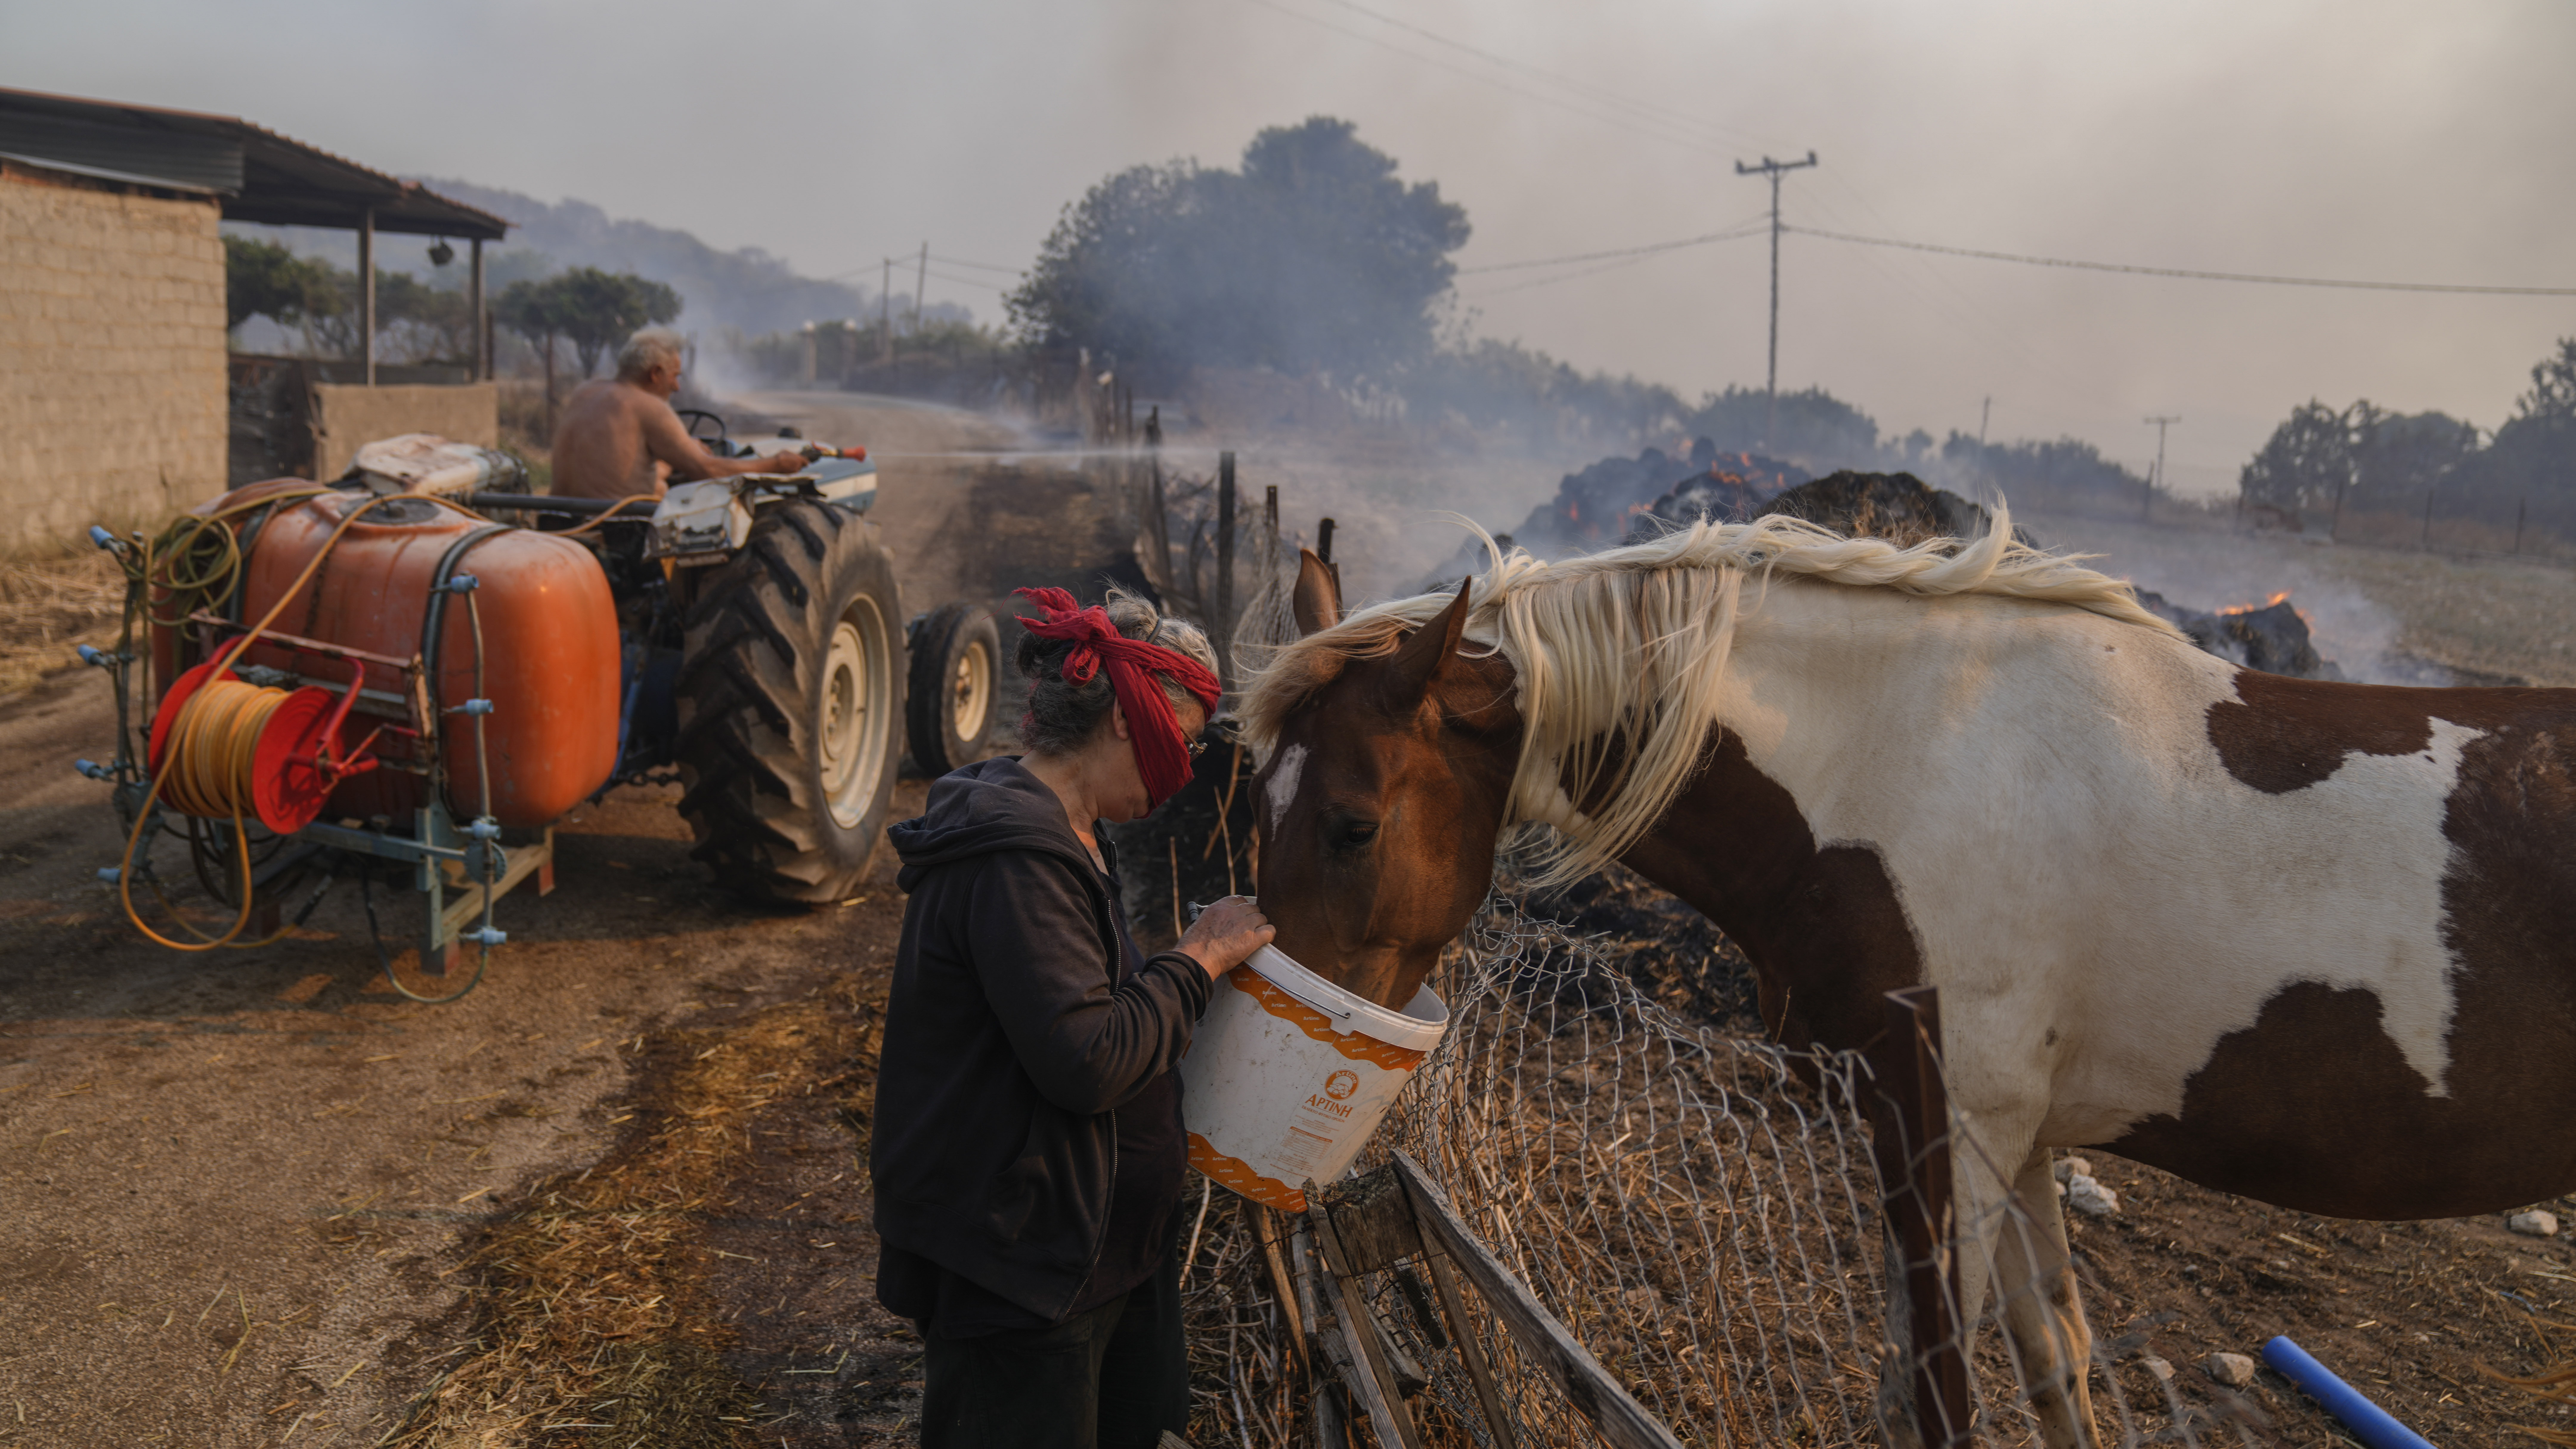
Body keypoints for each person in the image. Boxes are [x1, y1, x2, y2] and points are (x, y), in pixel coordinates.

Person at [871, 587, 1272, 1449]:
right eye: (1189, 739)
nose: (1189, 765)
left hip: (1100, 1255)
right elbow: (1087, 1057)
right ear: (1133, 719)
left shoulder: (1077, 836)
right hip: (1024, 1274)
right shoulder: (1018, 860)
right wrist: (1197, 959)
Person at [547, 326, 806, 500]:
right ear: (655, 373)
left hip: (561, 519)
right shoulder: (650, 407)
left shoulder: (585, 391)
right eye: (674, 377)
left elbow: (616, 464)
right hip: (619, 532)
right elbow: (709, 471)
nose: (677, 387)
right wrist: (777, 465)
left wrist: (672, 458)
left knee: (659, 484)